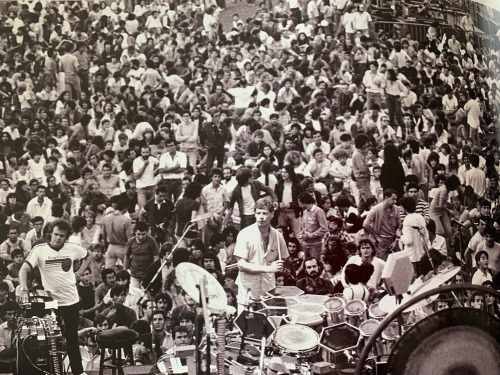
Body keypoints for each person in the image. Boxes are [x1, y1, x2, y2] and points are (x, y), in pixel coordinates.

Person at [18, 219, 92, 375]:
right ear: (50, 233)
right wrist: (24, 289)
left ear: (66, 237)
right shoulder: (40, 249)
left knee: (72, 337)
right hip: (51, 302)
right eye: (56, 234)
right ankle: (54, 371)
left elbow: (89, 255)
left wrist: (78, 274)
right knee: (51, 339)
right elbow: (23, 269)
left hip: (71, 299)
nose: (58, 238)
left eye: (62, 236)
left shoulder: (72, 248)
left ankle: (78, 372)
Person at [233, 197, 288, 312]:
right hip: (248, 291)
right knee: (247, 327)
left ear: (272, 214)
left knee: (268, 326)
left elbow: (285, 258)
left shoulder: (278, 236)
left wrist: (280, 266)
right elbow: (241, 265)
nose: (261, 217)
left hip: (268, 290)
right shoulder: (245, 234)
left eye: (264, 213)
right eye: (258, 213)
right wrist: (269, 268)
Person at [363, 189, 401, 261]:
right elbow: (365, 224)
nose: (395, 201)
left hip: (393, 240)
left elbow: (399, 226)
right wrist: (377, 237)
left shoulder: (396, 209)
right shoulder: (376, 209)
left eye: (395, 199)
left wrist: (396, 240)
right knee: (382, 263)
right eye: (393, 199)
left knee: (396, 263)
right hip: (381, 240)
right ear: (386, 198)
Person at [124, 222, 159, 290]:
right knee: (134, 295)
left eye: (143, 234)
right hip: (134, 275)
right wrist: (125, 270)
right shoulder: (131, 241)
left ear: (147, 232)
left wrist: (153, 273)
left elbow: (156, 258)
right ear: (135, 232)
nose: (141, 237)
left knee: (144, 296)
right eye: (138, 234)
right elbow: (126, 256)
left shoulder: (151, 241)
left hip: (147, 275)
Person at [297, 192, 328, 263]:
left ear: (304, 202)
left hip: (316, 245)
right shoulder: (304, 212)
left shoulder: (318, 211)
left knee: (316, 264)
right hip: (305, 244)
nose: (298, 204)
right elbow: (304, 228)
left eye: (299, 202)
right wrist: (301, 234)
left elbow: (324, 228)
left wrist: (310, 236)